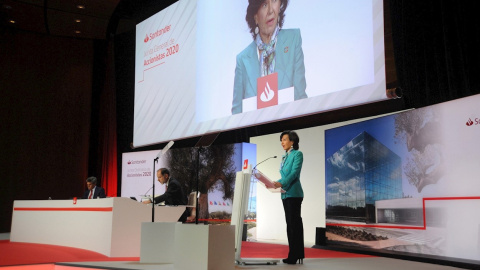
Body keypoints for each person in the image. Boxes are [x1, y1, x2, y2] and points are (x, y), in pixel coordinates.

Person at [232, 0, 307, 114]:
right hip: (257, 130)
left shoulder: (293, 40)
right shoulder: (242, 59)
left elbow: (300, 98)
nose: (271, 10)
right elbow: (237, 113)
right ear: (255, 16)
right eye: (264, 5)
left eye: (274, 1)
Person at [273, 130, 305, 264]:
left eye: (285, 139)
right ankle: (293, 254)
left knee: (294, 225)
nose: (282, 142)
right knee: (289, 225)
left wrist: (282, 182)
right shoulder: (284, 157)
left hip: (294, 194)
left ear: (292, 141)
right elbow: (285, 176)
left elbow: (294, 173)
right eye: (281, 140)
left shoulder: (297, 154)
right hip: (285, 194)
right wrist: (274, 183)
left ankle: (296, 255)